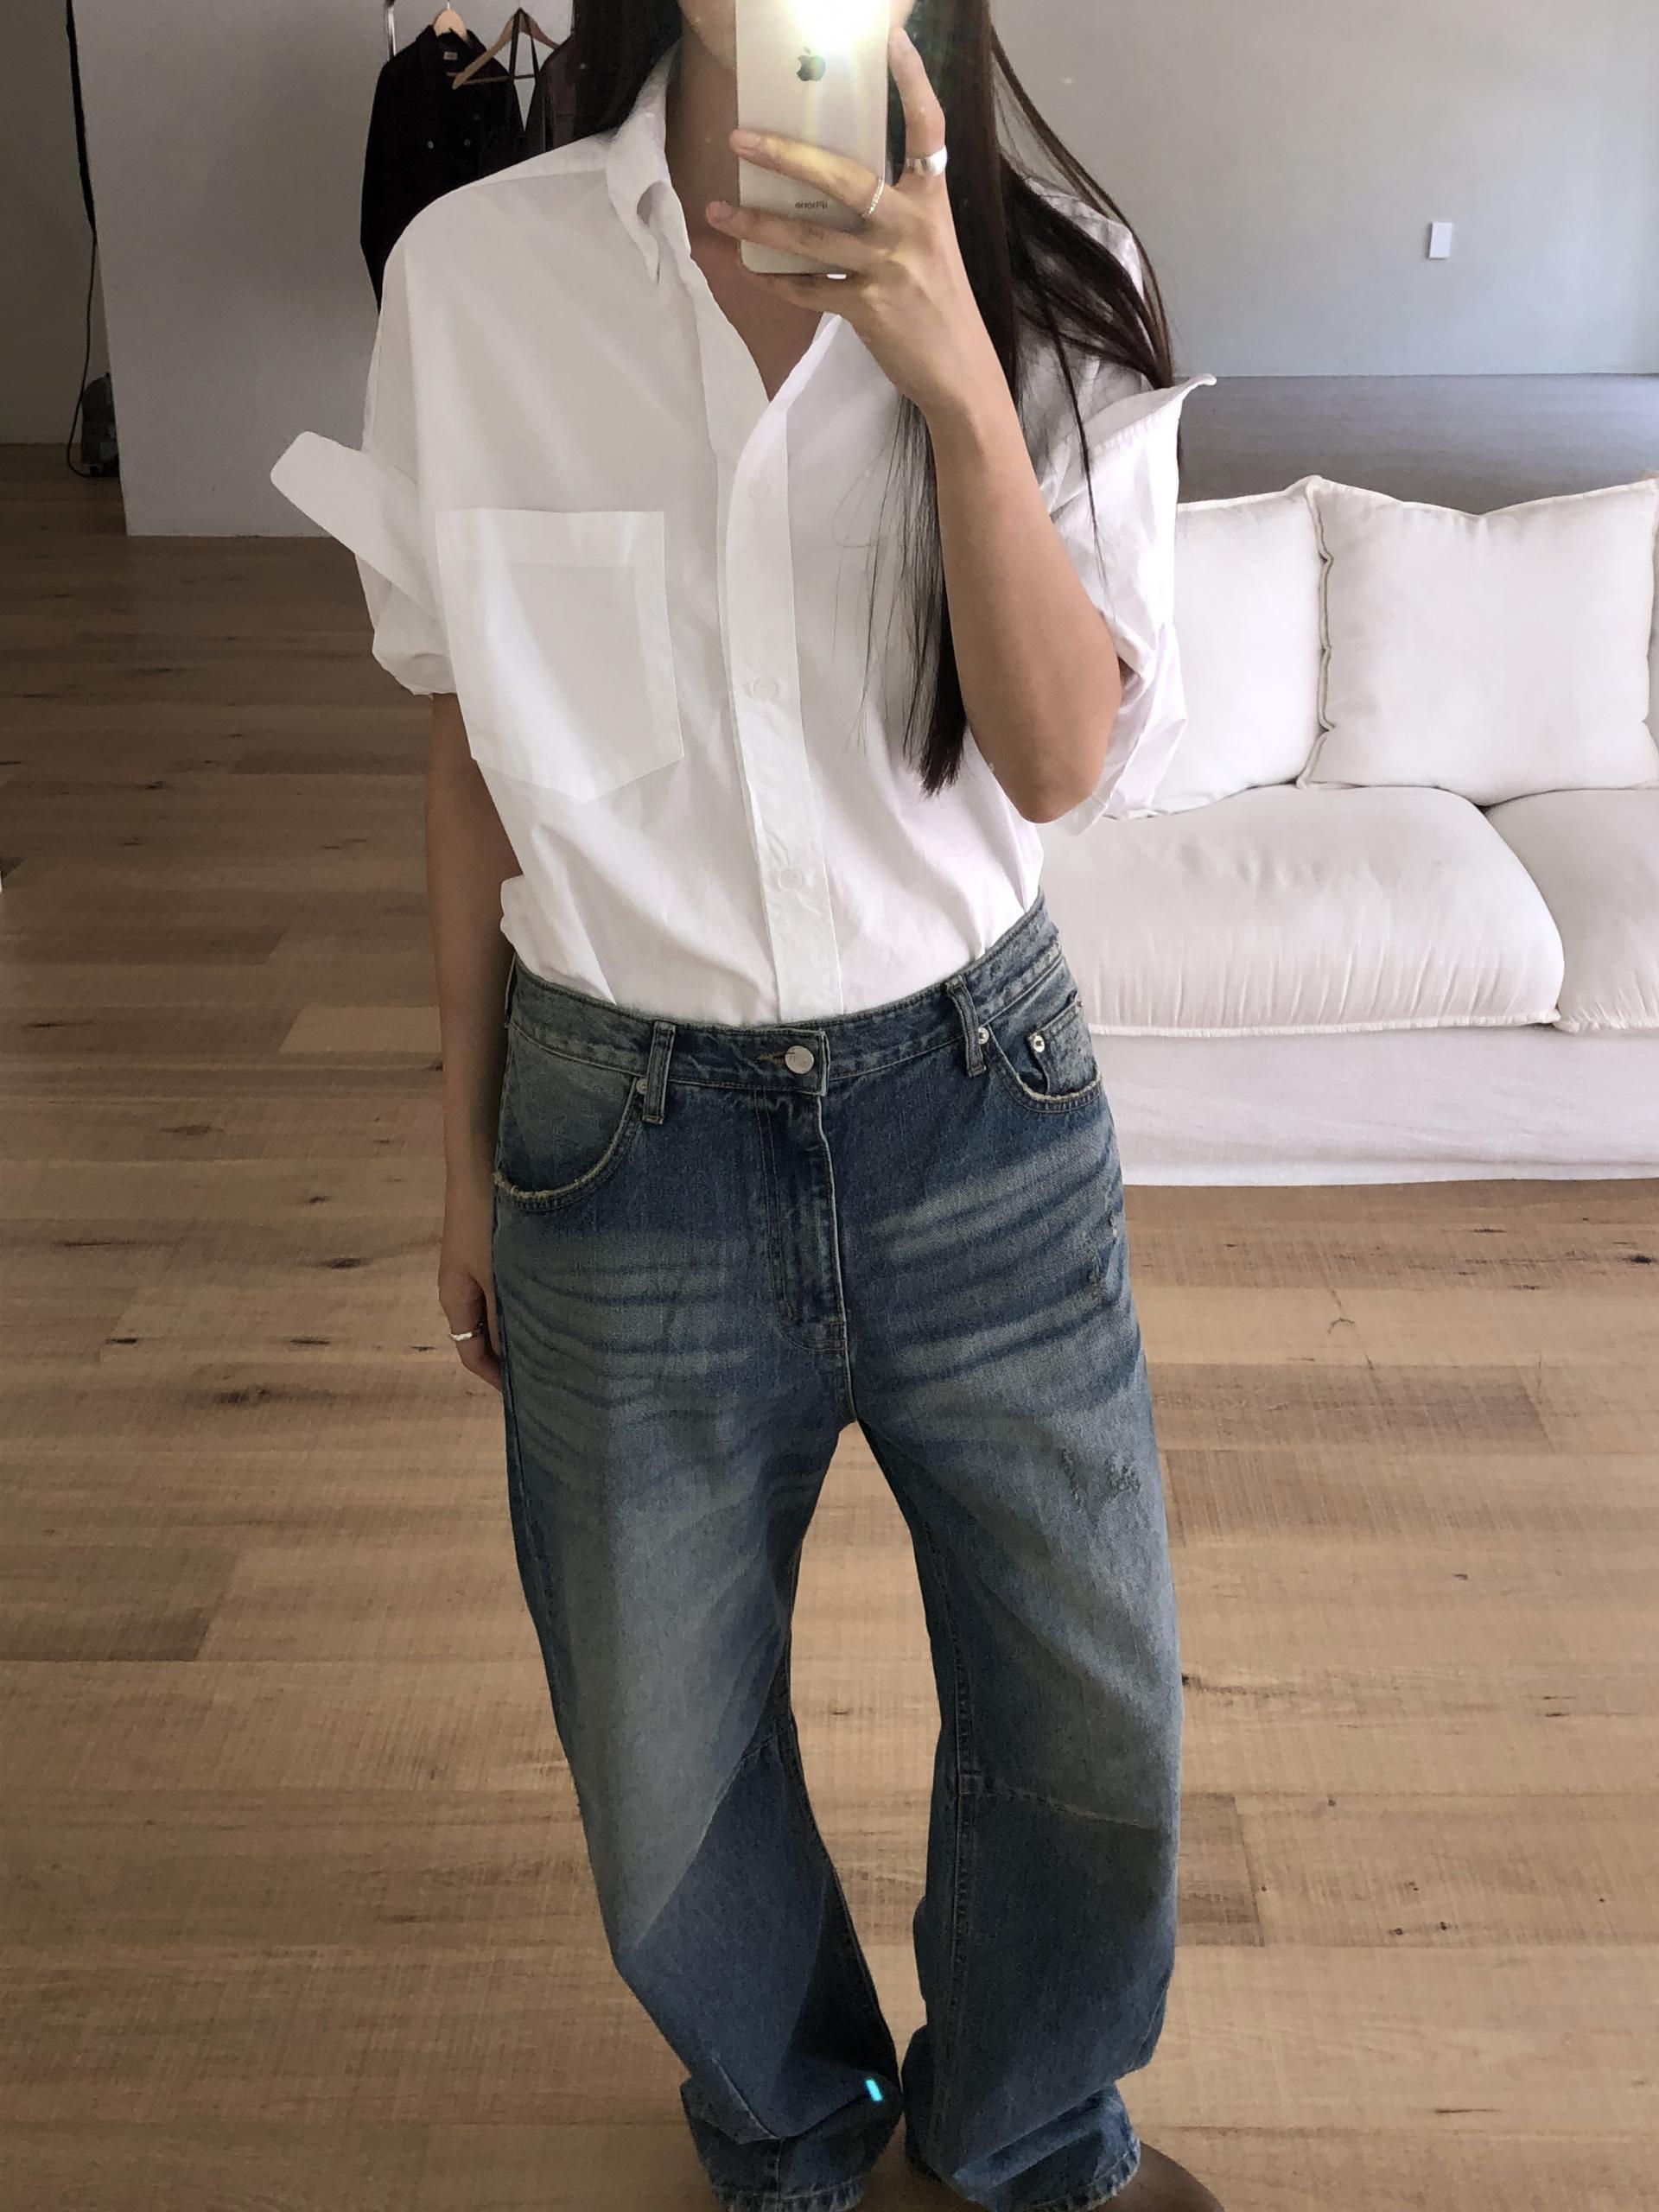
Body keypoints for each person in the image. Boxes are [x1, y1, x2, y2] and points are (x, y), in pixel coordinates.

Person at [270, 5, 1222, 2208]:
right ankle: (797, 2129)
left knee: (1092, 1720)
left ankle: (1022, 2138)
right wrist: (463, 1154)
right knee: (660, 1764)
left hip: (980, 1107)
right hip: (623, 1136)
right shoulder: (476, 280)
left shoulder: (1055, 266)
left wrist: (954, 375)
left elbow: (1060, 760)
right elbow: (466, 744)